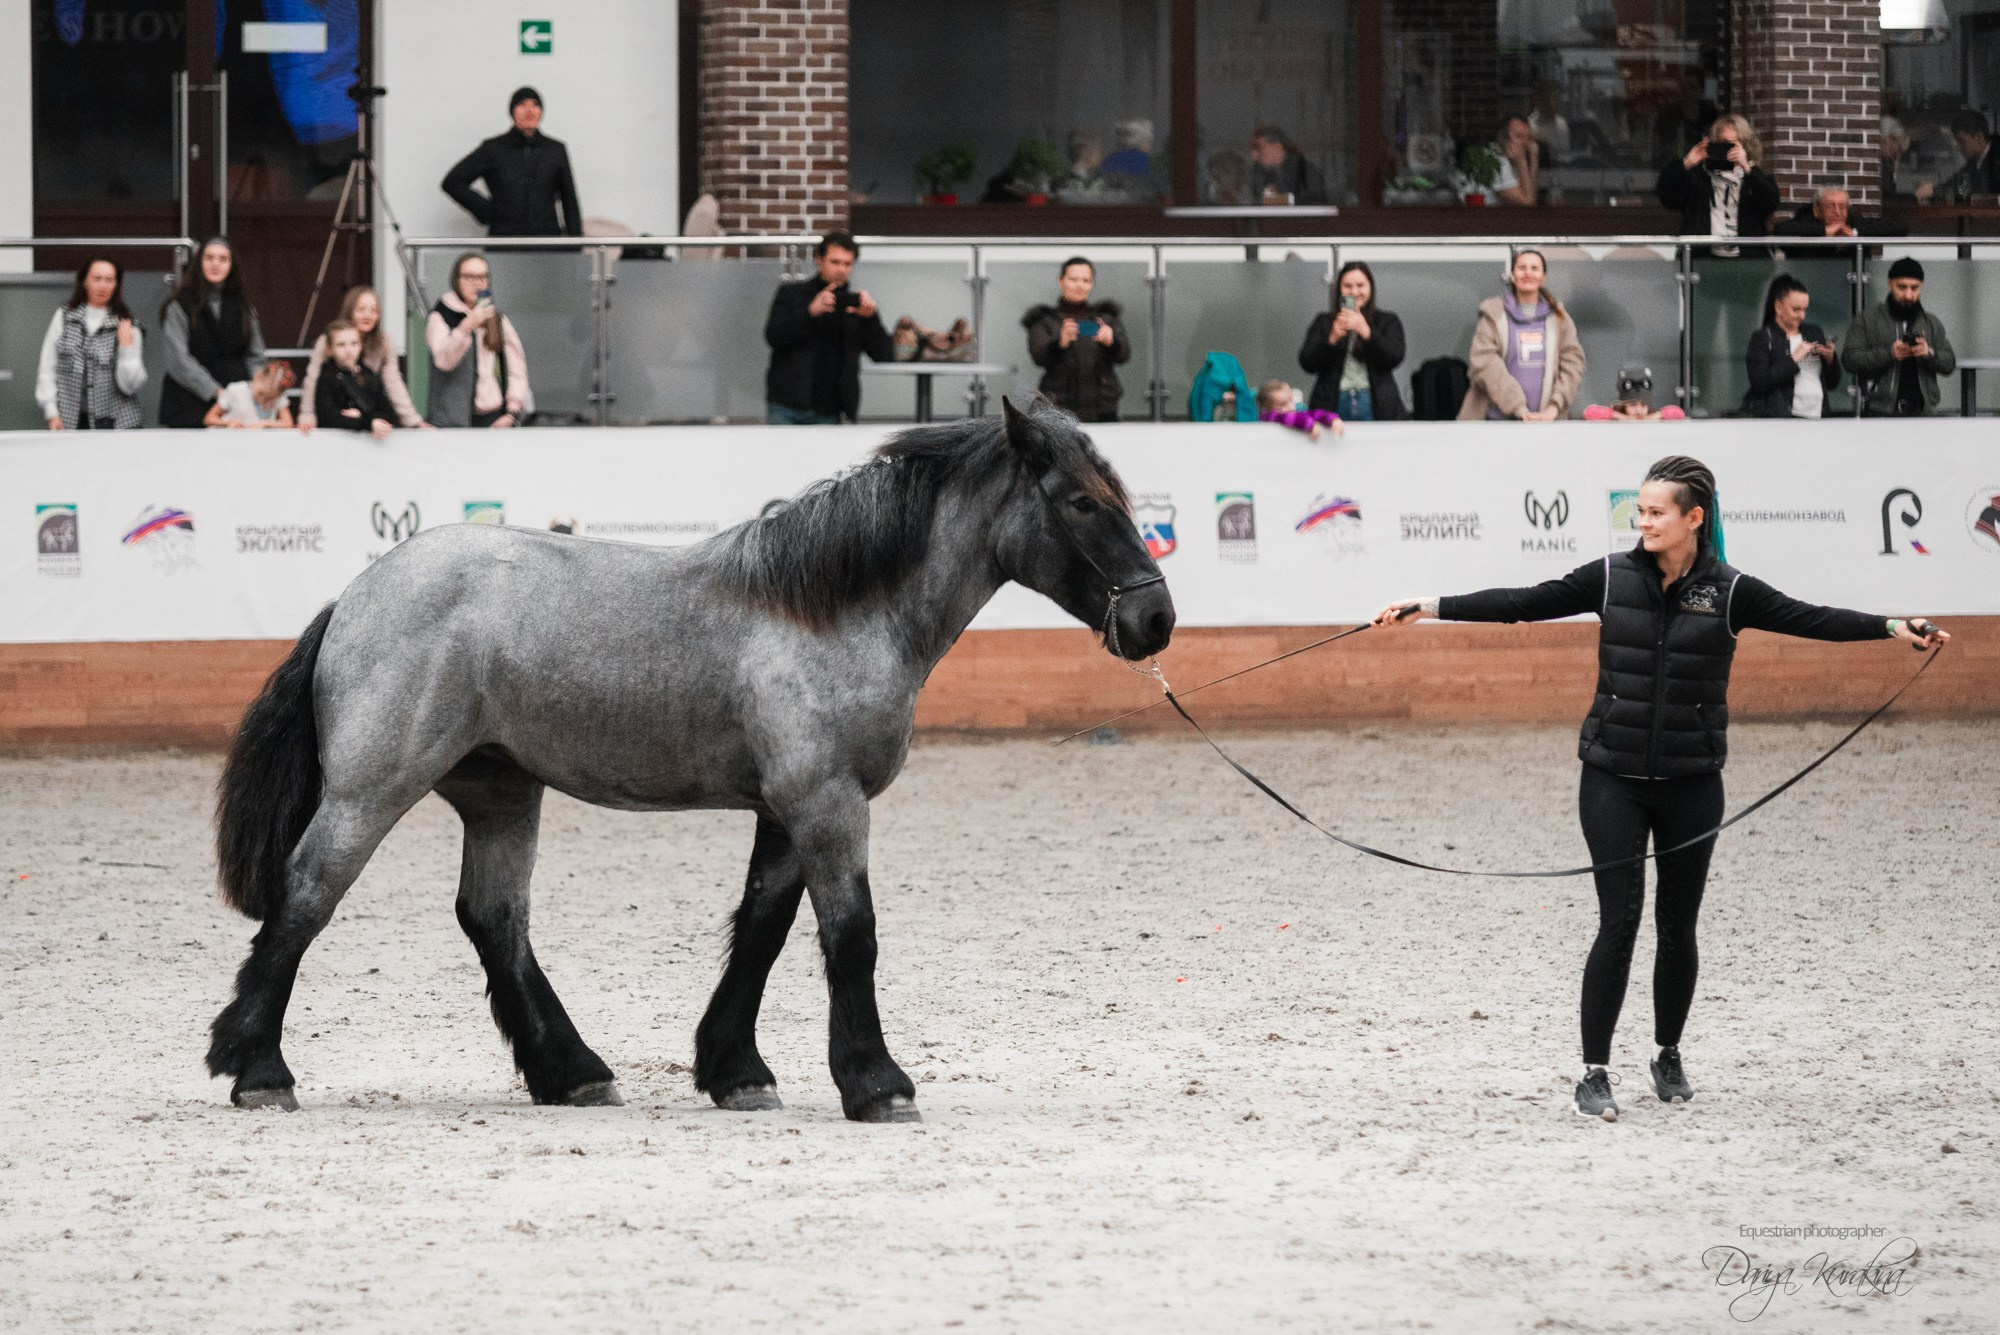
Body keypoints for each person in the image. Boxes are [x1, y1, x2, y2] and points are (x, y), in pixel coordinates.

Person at [1371, 455, 1950, 1122]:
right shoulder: (1611, 578)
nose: (1641, 520)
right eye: (1639, 511)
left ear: (1693, 518)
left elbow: (1812, 617)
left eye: (1655, 511)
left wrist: (1891, 626)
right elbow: (1522, 604)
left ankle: (1667, 1051)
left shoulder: (1731, 591)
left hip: (1692, 783)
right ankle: (1593, 1071)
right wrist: (1429, 606)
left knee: (1678, 926)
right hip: (1612, 776)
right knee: (1618, 919)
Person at [762, 231, 894, 425]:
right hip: (787, 404)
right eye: (835, 262)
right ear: (819, 260)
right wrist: (810, 312)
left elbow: (884, 354)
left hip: (831, 408)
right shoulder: (792, 294)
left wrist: (870, 319)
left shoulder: (855, 305)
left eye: (847, 264)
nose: (841, 269)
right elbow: (774, 337)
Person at [1460, 248, 1584, 421]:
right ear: (1512, 275)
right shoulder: (1493, 314)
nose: (1528, 273)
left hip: (1546, 424)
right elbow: (1484, 363)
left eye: (1534, 268)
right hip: (1494, 423)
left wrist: (1554, 407)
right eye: (1522, 268)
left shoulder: (1559, 318)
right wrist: (1519, 407)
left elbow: (1573, 364)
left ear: (1543, 277)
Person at [441, 86, 582, 237]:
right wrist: (487, 211)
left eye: (535, 105)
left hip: (546, 242)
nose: (529, 111)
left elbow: (569, 200)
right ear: (512, 111)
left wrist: (575, 245)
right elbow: (452, 182)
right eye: (522, 105)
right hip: (504, 241)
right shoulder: (493, 148)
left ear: (541, 111)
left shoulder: (555, 150)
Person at [157, 237, 268, 429]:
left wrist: (260, 389)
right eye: (209, 258)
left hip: (236, 406)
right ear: (199, 263)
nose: (215, 264)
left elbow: (255, 356)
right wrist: (217, 393)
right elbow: (178, 360)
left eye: (223, 259)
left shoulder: (244, 305)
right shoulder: (179, 304)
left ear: (232, 265)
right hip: (189, 402)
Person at [36, 256, 146, 430]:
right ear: (85, 281)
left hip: (118, 423)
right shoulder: (64, 317)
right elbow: (48, 366)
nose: (103, 286)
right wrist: (51, 411)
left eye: (109, 280)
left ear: (116, 285)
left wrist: (126, 349)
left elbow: (130, 386)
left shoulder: (127, 323)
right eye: (97, 279)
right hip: (71, 419)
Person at [298, 285, 427, 433]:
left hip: (368, 418)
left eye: (374, 310)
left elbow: (393, 381)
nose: (368, 315)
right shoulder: (327, 341)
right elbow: (312, 378)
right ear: (350, 311)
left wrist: (412, 421)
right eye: (361, 309)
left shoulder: (383, 341)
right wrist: (307, 415)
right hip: (338, 421)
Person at [426, 251, 530, 428]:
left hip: (494, 416)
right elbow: (444, 361)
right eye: (470, 277)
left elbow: (516, 369)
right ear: (456, 280)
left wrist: (511, 413)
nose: (477, 283)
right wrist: (466, 326)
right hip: (452, 419)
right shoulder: (441, 316)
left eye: (482, 277)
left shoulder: (497, 319)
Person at [1842, 257, 1957, 417]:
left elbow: (1949, 363)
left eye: (1914, 288)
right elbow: (1850, 359)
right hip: (1880, 412)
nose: (1908, 295)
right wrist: (1889, 354)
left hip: (1923, 413)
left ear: (1921, 287)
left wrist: (1928, 353)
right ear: (1890, 284)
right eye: (1902, 287)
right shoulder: (1868, 319)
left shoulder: (1931, 322)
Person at [1022, 256, 1131, 423]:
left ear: (1092, 283)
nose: (1080, 285)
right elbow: (1039, 357)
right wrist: (1060, 344)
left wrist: (1111, 342)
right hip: (1057, 411)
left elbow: (1124, 355)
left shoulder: (1106, 318)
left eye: (1086, 280)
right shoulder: (1043, 319)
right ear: (1061, 280)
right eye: (1073, 279)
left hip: (1103, 410)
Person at [1297, 260, 1407, 421]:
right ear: (1339, 290)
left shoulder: (1387, 320)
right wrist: (1332, 338)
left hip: (1376, 402)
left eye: (1360, 285)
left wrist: (1367, 332)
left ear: (1370, 287)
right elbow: (1307, 362)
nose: (1354, 292)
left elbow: (1394, 356)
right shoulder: (1325, 321)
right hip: (1333, 401)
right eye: (1347, 286)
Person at [1656, 115, 1780, 253]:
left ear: (1746, 146)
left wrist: (1747, 169)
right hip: (1704, 257)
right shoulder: (1700, 176)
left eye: (1735, 144)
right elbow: (1667, 197)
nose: (1730, 149)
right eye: (1724, 143)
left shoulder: (1754, 176)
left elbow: (1770, 204)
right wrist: (1686, 163)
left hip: (1747, 257)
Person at [1742, 275, 1840, 418]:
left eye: (1805, 309)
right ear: (1778, 307)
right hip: (1781, 418)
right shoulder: (1763, 337)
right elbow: (1759, 382)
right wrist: (1794, 358)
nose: (1802, 315)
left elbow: (1833, 382)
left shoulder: (1814, 332)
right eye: (1796, 309)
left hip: (1817, 414)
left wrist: (1830, 359)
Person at [312, 319, 397, 439]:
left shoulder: (369, 375)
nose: (348, 350)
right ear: (329, 349)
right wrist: (367, 423)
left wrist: (364, 418)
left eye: (354, 343)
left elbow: (388, 413)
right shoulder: (327, 378)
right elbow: (328, 418)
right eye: (341, 345)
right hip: (335, 445)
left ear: (360, 346)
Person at [1773, 186, 1892, 239]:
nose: (1837, 212)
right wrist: (1825, 231)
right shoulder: (1805, 219)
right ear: (1817, 210)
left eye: (1842, 207)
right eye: (1830, 206)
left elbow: (1894, 227)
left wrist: (1854, 234)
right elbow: (1780, 230)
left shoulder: (1852, 221)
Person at [1249, 126, 1329, 205]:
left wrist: (1281, 200)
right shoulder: (1259, 173)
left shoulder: (1305, 172)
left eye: (1259, 148)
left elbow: (1318, 203)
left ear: (1277, 147)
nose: (1254, 155)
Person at [1935, 109, 2000, 202]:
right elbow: (1957, 184)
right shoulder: (1974, 161)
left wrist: (1935, 191)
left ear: (1978, 137)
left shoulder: (1996, 159)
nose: (1958, 146)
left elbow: (1982, 192)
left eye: (1961, 141)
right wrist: (1935, 190)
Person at [205, 361, 295, 429]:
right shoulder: (236, 389)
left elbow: (288, 423)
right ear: (257, 376)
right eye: (261, 393)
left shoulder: (278, 396)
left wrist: (266, 423)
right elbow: (209, 418)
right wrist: (228, 423)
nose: (261, 399)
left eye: (268, 398)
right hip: (233, 440)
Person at [1582, 364, 1686, 421]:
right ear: (1624, 405)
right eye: (1633, 405)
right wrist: (1620, 417)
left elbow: (1679, 413)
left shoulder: (1652, 418)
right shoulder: (1617, 417)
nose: (1639, 410)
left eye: (1643, 405)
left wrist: (1656, 416)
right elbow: (1589, 412)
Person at [1254, 379, 1343, 439]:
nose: (1289, 407)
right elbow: (1287, 418)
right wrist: (1309, 425)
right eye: (1281, 404)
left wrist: (1332, 419)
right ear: (1266, 408)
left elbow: (1314, 413)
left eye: (1290, 400)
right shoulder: (1269, 417)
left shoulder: (1297, 412)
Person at [1489, 115, 1541, 206]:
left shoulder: (1514, 160)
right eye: (1519, 136)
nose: (1525, 143)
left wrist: (1534, 161)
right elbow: (1527, 205)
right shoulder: (1495, 160)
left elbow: (1532, 196)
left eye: (1528, 138)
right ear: (1503, 138)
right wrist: (1522, 163)